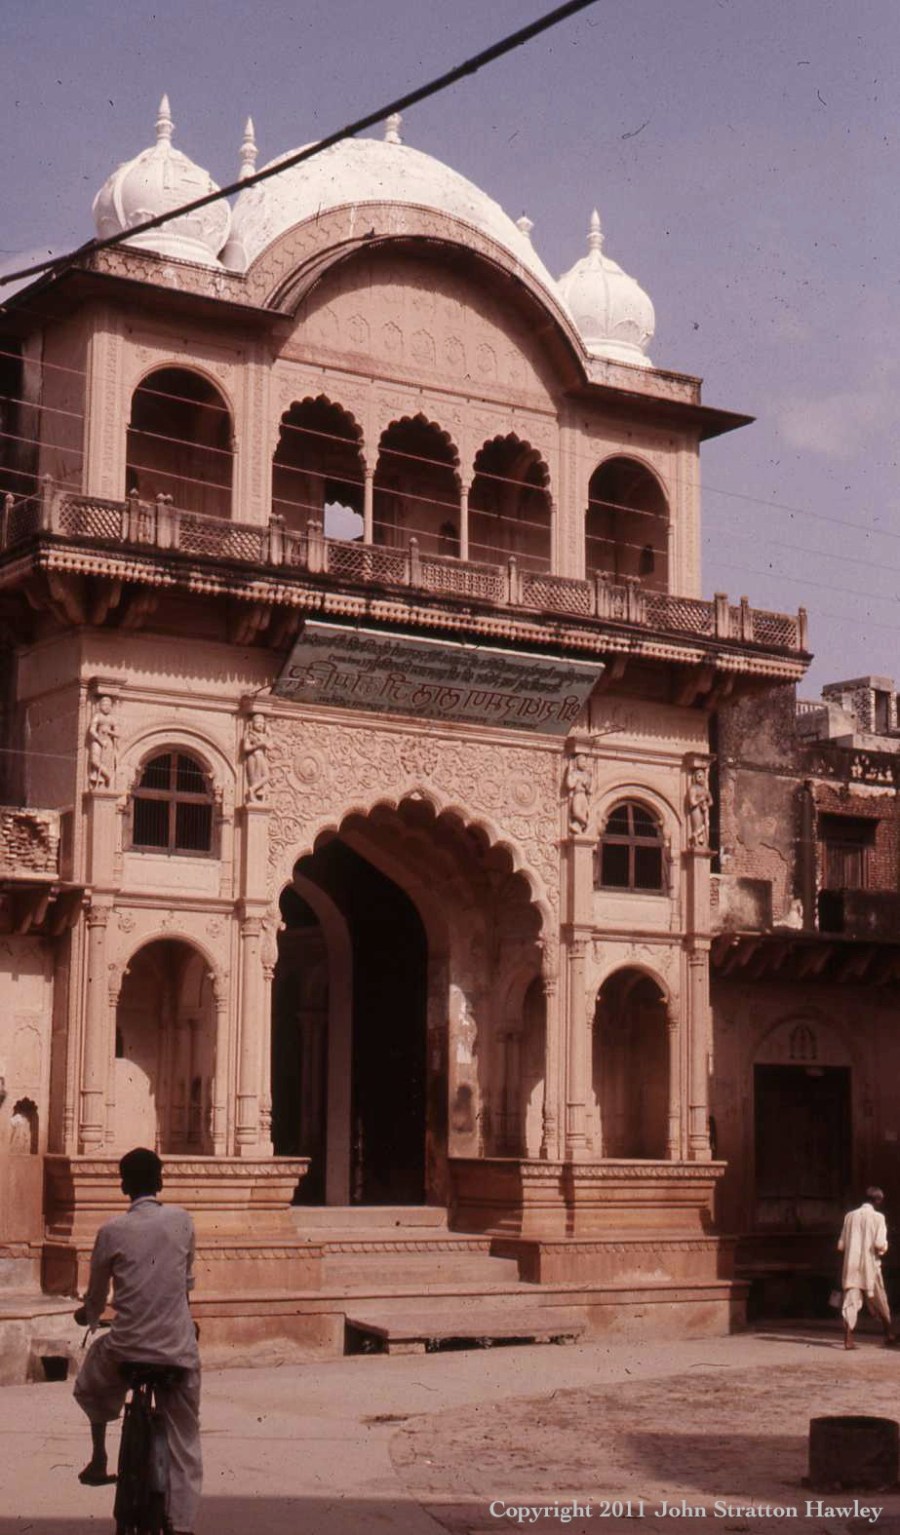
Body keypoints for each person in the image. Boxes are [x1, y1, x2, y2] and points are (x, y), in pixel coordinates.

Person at [73, 1146, 201, 1535]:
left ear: (123, 1186)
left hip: (127, 1347)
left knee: (91, 1382)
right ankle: (182, 1524)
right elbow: (184, 1284)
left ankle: (99, 1457)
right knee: (184, 1437)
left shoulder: (111, 1230)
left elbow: (96, 1299)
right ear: (160, 1181)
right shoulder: (182, 1221)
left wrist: (88, 1315)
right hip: (176, 1346)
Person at [837, 1186, 897, 1350]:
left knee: (851, 1301)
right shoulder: (879, 1218)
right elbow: (879, 1244)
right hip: (871, 1266)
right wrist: (884, 1247)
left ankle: (848, 1338)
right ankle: (889, 1334)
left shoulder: (850, 1216)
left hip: (852, 1265)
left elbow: (841, 1245)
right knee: (880, 1299)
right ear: (877, 1200)